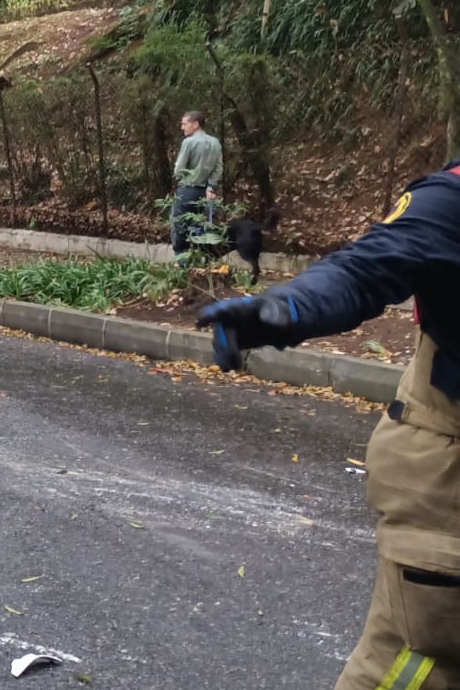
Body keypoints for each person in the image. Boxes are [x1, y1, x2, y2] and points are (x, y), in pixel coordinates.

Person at [197, 163, 460, 689]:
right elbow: (365, 269)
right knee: (419, 664)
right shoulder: (452, 199)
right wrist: (287, 309)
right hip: (449, 459)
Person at [171, 110, 224, 260]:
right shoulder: (215, 142)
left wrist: (180, 176)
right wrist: (211, 186)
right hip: (206, 192)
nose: (182, 127)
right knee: (201, 226)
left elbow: (179, 169)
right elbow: (218, 168)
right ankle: (204, 260)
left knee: (180, 226)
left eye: (185, 124)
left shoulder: (189, 142)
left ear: (195, 124)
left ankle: (183, 262)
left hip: (187, 190)